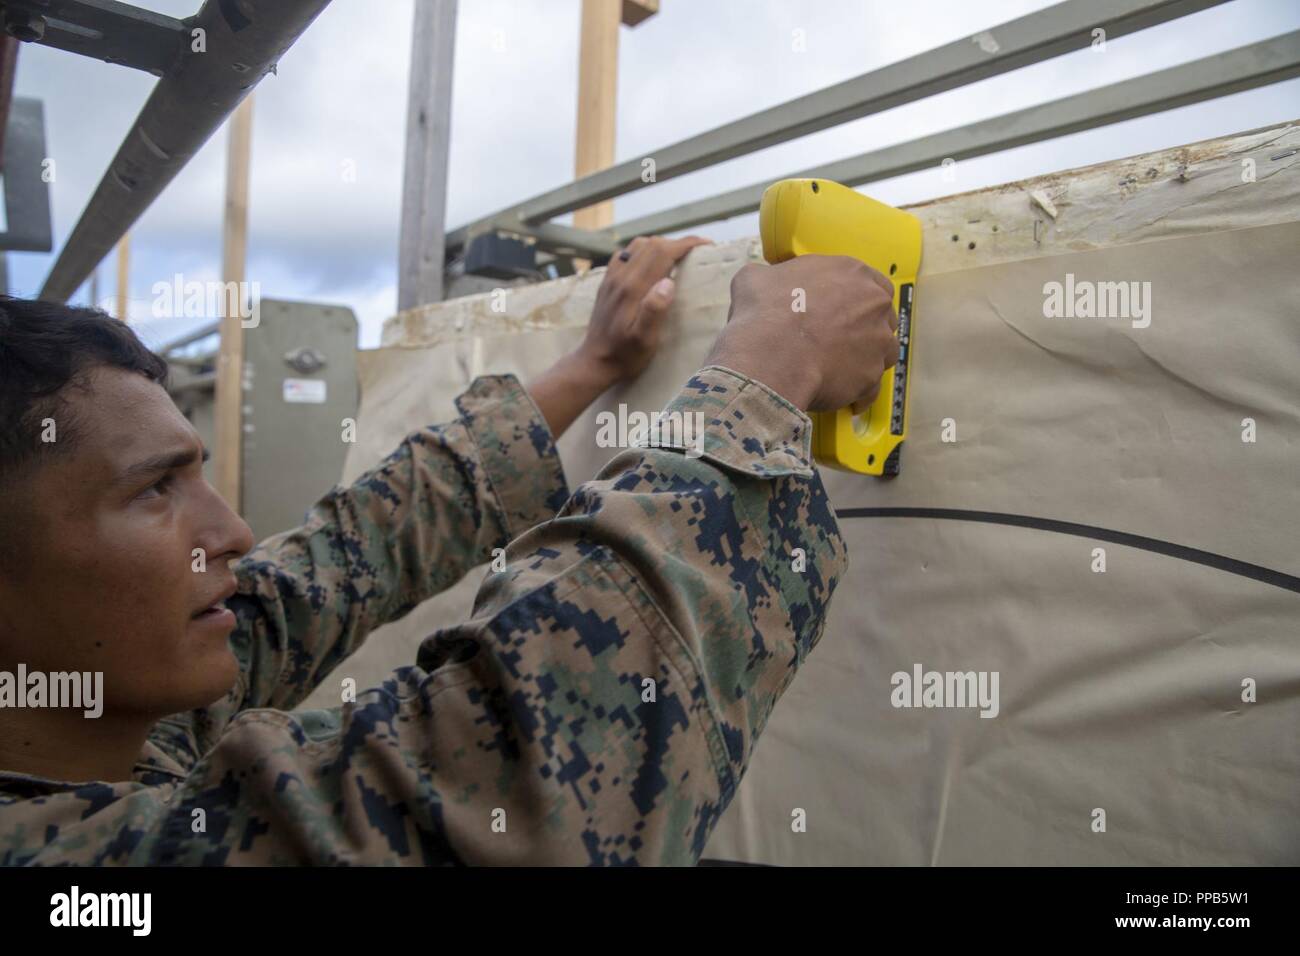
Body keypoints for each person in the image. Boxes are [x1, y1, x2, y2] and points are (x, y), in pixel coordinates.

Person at [0, 236, 899, 865]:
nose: (232, 533)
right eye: (155, 489)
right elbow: (510, 799)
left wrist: (591, 365)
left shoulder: (113, 713)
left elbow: (358, 549)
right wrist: (764, 379)